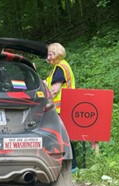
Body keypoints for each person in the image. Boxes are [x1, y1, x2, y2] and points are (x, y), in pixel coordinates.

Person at [44, 42, 77, 173]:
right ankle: (71, 166)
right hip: (65, 106)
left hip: (60, 108)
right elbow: (47, 83)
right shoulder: (60, 67)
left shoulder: (60, 68)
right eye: (48, 55)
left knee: (62, 137)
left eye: (51, 54)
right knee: (64, 136)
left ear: (57, 54)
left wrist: (44, 101)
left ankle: (71, 166)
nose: (48, 57)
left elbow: (54, 90)